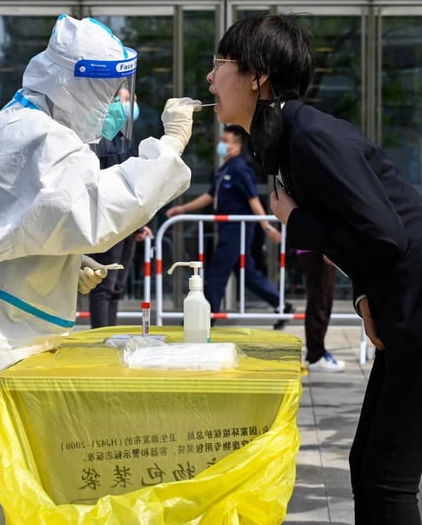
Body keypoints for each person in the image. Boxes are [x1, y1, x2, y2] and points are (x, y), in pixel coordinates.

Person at [211, 12, 422, 525]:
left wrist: (296, 222)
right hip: (410, 302)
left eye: (218, 64)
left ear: (257, 74)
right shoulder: (283, 138)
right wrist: (365, 300)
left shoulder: (312, 135)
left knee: (390, 478)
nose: (209, 79)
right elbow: (366, 234)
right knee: (368, 467)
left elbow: (384, 234)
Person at [0, 14, 197, 525]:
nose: (117, 104)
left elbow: (20, 226)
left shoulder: (29, 126)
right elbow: (94, 208)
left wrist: (66, 263)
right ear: (74, 82)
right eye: (109, 91)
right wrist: (169, 148)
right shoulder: (36, 136)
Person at [165, 124, 292, 327]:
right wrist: (182, 209)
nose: (221, 145)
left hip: (237, 231)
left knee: (217, 273)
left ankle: (206, 316)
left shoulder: (241, 170)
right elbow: (210, 196)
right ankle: (281, 304)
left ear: (237, 146)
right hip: (228, 230)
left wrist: (267, 227)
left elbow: (254, 201)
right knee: (248, 274)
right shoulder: (224, 169)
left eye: (226, 142)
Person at [87, 124, 153, 328]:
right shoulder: (96, 141)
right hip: (109, 220)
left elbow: (133, 182)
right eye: (121, 98)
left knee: (116, 287)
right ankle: (100, 336)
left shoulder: (124, 141)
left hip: (127, 224)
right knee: (104, 286)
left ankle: (108, 333)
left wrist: (139, 223)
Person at [296, 249, 344, 372]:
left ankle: (317, 353)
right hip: (316, 249)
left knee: (322, 301)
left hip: (316, 248)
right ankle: (316, 356)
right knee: (320, 302)